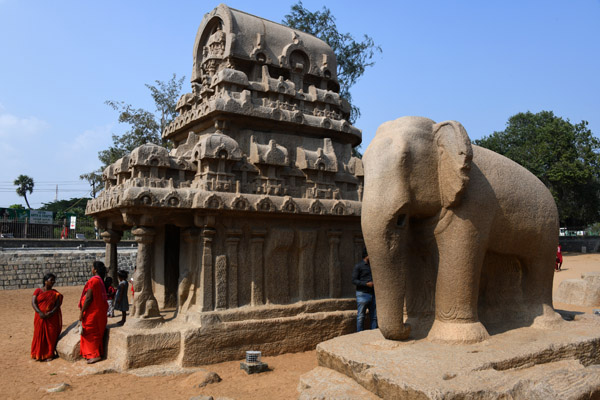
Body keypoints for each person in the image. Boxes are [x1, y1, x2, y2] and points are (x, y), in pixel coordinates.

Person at [79, 261, 108, 364]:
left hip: (92, 312)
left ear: (95, 270)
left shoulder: (93, 281)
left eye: (92, 267)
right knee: (95, 332)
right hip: (99, 311)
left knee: (91, 332)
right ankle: (93, 353)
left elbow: (89, 298)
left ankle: (95, 354)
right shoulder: (100, 281)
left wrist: (82, 312)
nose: (91, 269)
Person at [31, 273, 63, 361]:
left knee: (50, 334)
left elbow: (58, 304)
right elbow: (33, 303)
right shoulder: (38, 291)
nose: (53, 282)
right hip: (39, 317)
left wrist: (52, 312)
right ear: (45, 281)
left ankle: (49, 354)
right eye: (51, 280)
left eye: (53, 280)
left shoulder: (55, 293)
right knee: (39, 334)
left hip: (51, 317)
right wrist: (40, 312)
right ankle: (38, 353)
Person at [352, 248, 377, 331]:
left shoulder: (372, 266)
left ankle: (373, 334)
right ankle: (360, 334)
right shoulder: (358, 266)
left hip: (373, 294)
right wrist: (366, 284)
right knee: (361, 316)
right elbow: (354, 280)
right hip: (362, 294)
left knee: (374, 316)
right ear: (367, 255)